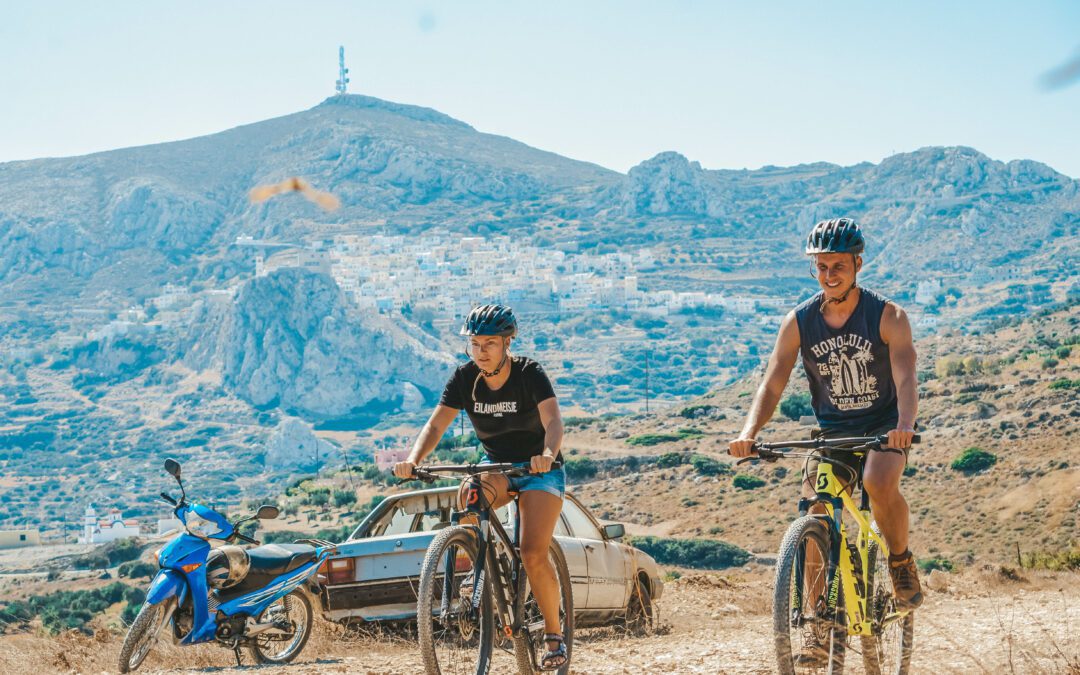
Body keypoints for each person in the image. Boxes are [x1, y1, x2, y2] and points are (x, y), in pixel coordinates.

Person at [728, 218, 922, 660]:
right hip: (833, 433)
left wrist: (905, 425)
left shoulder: (888, 316)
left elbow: (906, 376)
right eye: (821, 267)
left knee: (878, 481)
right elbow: (772, 383)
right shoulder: (799, 322)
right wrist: (748, 433)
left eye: (838, 266)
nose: (829, 275)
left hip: (883, 427)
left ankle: (899, 561)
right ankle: (817, 627)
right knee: (815, 508)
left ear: (857, 264)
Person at [393, 304, 568, 670]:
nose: (481, 351)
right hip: (498, 467)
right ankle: (479, 566)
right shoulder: (464, 378)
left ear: (507, 343)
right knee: (469, 492)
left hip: (539, 469)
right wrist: (414, 459)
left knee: (532, 552)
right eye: (475, 343)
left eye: (490, 343)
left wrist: (547, 455)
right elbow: (435, 425)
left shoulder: (529, 373)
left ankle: (554, 636)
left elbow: (553, 421)